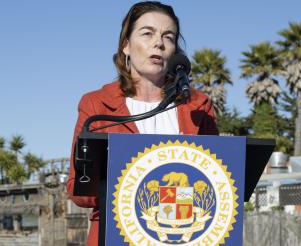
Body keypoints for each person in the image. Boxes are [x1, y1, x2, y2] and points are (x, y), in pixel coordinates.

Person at [67, 1, 219, 245]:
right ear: (126, 46)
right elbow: (77, 189)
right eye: (147, 33)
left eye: (168, 37)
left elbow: (218, 178)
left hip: (183, 235)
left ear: (174, 50)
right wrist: (131, 185)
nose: (158, 42)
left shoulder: (198, 106)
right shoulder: (95, 105)